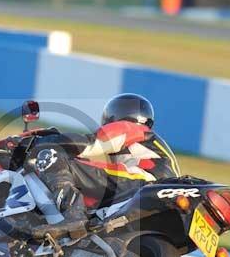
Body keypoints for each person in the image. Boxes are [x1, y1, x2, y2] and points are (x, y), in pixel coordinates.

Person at [29, 93, 181, 240]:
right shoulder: (151, 144)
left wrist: (44, 142)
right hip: (154, 194)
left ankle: (73, 216)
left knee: (52, 157)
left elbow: (91, 143)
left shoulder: (132, 129)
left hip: (143, 181)